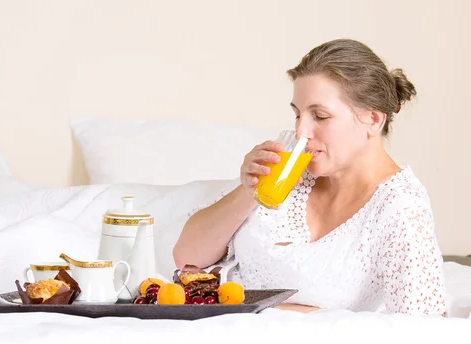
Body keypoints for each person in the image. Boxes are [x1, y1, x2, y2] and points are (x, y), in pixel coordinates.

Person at [173, 38, 447, 316]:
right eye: (297, 114)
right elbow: (187, 257)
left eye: (320, 116)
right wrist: (248, 191)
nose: (301, 131)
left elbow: (422, 324)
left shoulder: (400, 207)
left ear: (374, 120)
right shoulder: (287, 173)